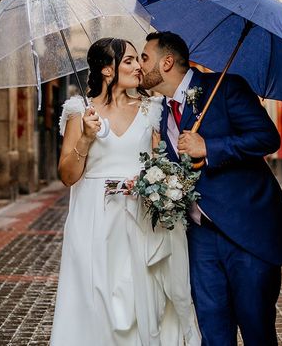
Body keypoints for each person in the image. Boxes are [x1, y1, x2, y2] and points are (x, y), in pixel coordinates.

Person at [139, 31, 282, 346]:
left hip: (247, 234)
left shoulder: (226, 88)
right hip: (199, 236)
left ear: (166, 62)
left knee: (256, 328)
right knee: (213, 331)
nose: (139, 65)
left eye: (144, 57)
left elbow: (267, 138)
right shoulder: (161, 111)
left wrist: (210, 147)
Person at [51, 37, 200, 346]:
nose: (139, 66)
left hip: (140, 217)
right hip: (93, 217)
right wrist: (85, 139)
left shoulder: (152, 109)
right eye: (130, 61)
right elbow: (67, 175)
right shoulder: (80, 111)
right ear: (108, 70)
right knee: (96, 296)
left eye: (137, 59)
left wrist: (163, 183)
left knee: (138, 296)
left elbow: (162, 160)